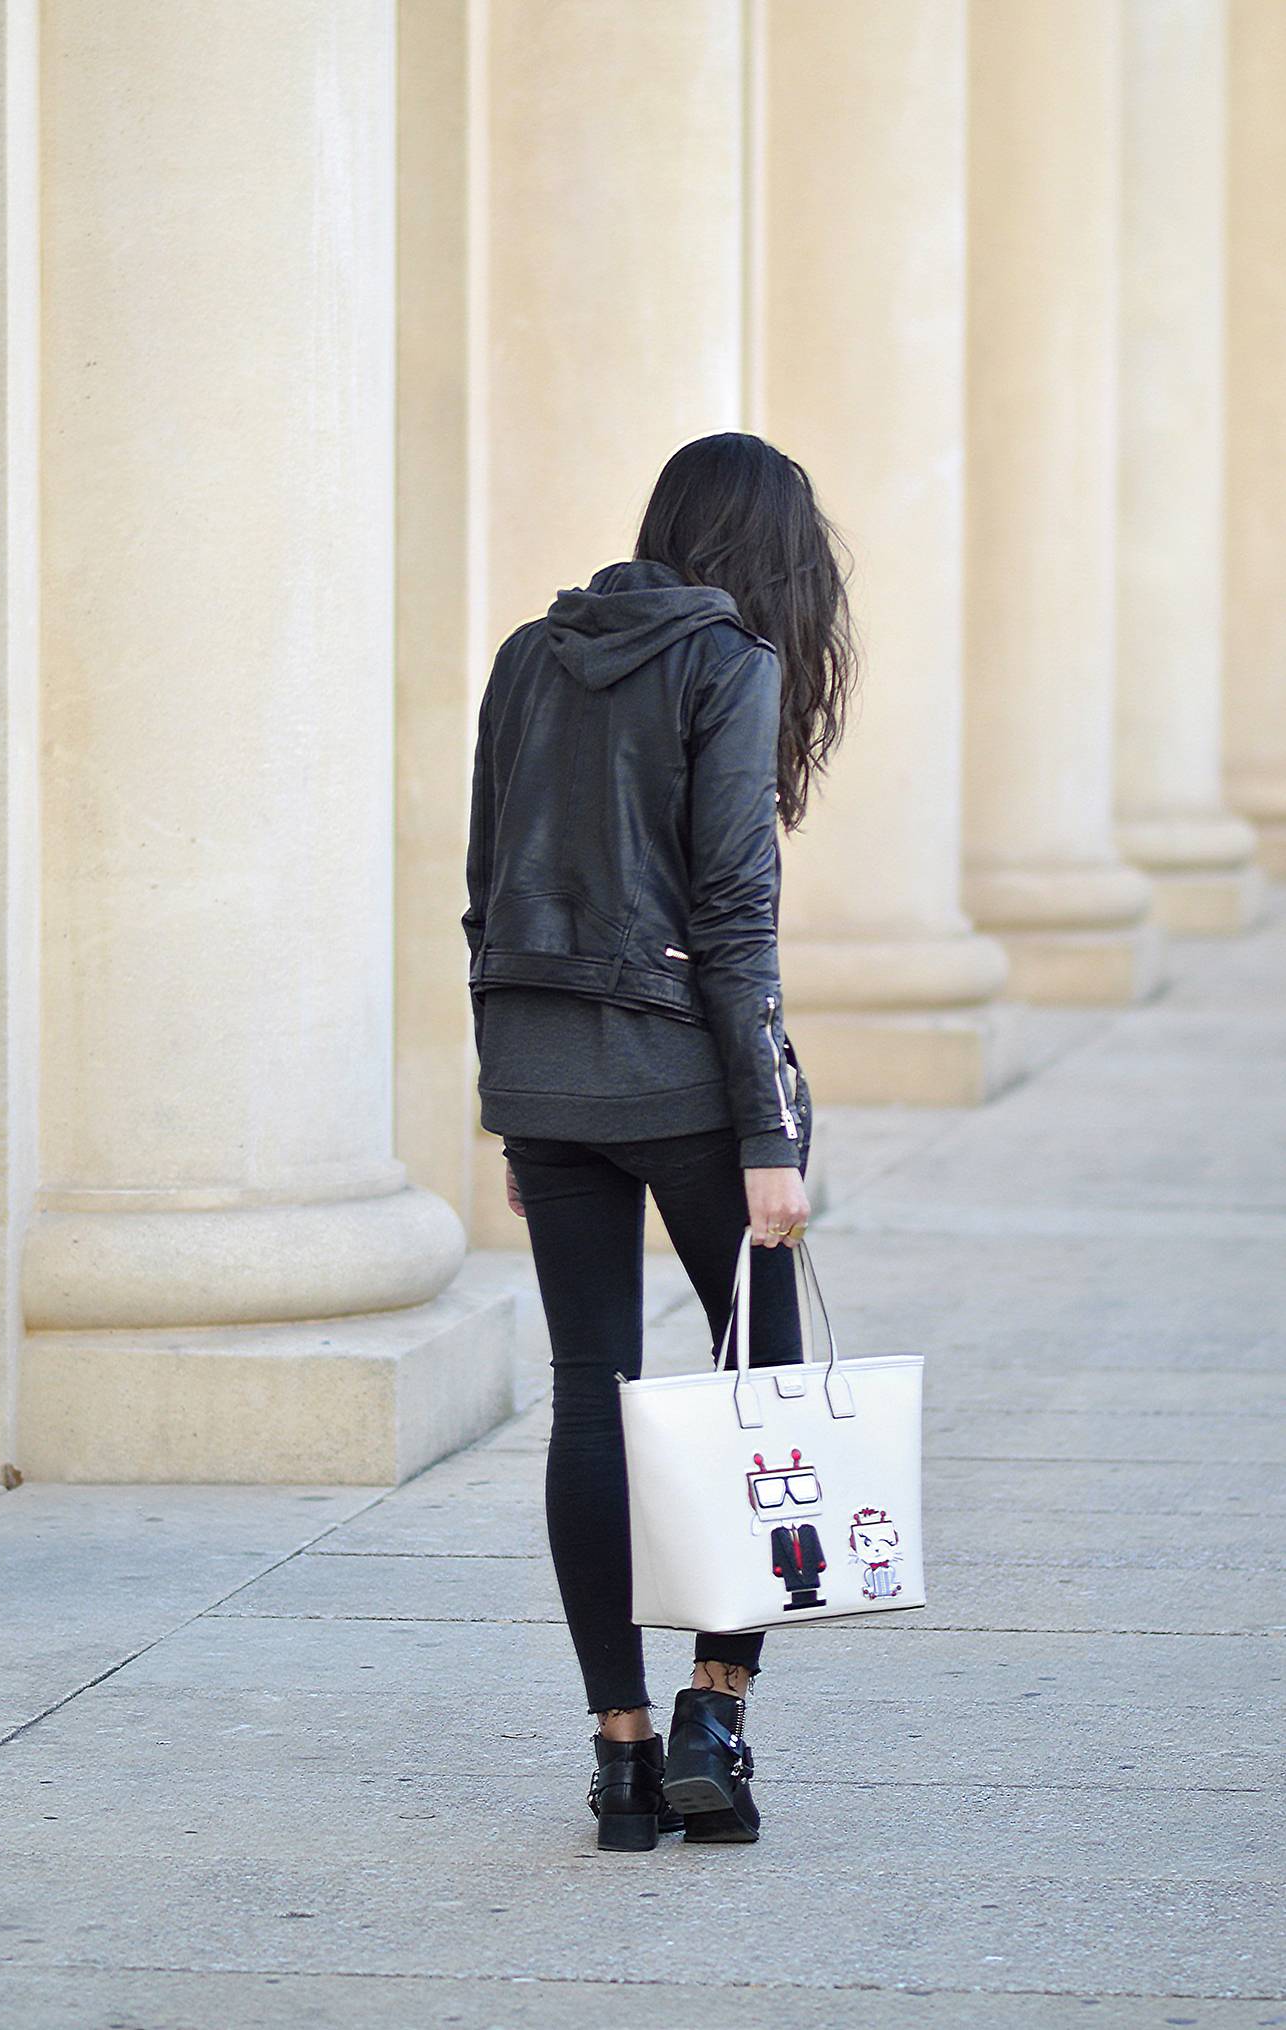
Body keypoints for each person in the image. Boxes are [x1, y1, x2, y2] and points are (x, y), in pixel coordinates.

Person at [461, 431, 858, 1850]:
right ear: (768, 556)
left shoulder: (525, 655)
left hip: (547, 1072)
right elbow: (735, 912)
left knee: (589, 1394)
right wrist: (769, 1133)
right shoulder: (730, 663)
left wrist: (510, 1093)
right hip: (691, 1089)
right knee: (764, 1392)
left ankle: (617, 1755)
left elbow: (482, 882)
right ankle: (712, 1710)